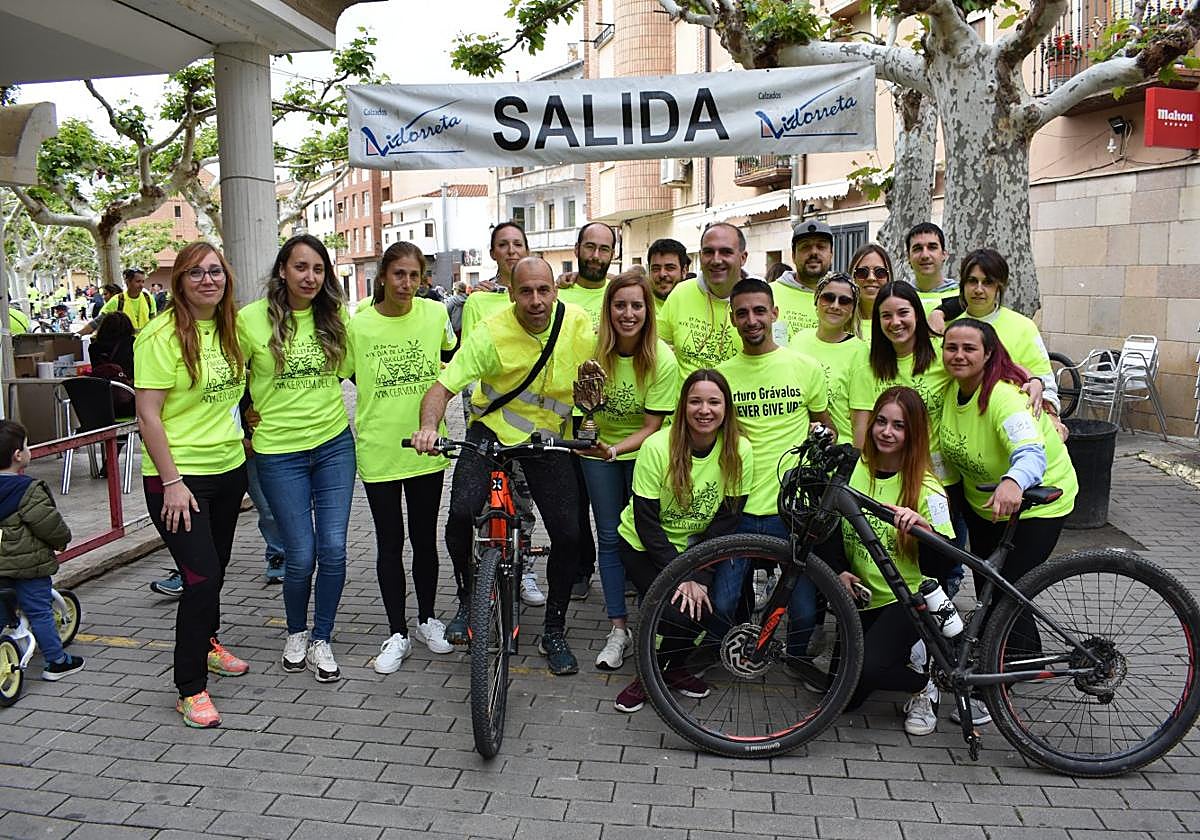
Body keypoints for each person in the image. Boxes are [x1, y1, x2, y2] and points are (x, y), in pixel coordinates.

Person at [412, 256, 594, 674]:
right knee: (460, 514)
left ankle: (554, 630)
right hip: (491, 432)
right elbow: (442, 388)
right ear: (510, 293)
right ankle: (465, 599)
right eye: (525, 291)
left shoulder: (579, 324)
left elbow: (606, 371)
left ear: (555, 290)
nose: (535, 300)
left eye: (543, 290)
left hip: (547, 441)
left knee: (568, 535)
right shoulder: (490, 332)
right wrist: (427, 427)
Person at [939, 318, 1078, 724]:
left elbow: (1030, 452)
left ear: (988, 355)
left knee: (1007, 592)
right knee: (990, 584)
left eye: (969, 349)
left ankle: (996, 686)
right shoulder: (951, 391)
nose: (959, 355)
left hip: (1036, 501)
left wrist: (1014, 480)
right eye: (952, 348)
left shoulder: (1003, 397)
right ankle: (1025, 656)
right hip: (984, 505)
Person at [134, 241, 249, 727]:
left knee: (216, 568)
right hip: (179, 480)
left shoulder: (229, 329)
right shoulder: (160, 336)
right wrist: (173, 481)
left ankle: (207, 644)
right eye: (196, 273)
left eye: (216, 271)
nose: (208, 280)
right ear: (179, 282)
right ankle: (189, 687)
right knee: (200, 578)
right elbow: (148, 414)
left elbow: (233, 397)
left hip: (227, 469)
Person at [238, 234, 355, 684]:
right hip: (278, 453)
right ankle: (296, 631)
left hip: (333, 446)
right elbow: (230, 381)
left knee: (335, 548)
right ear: (282, 269)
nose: (310, 277)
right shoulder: (250, 321)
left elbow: (362, 371)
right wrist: (244, 422)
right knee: (301, 554)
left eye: (319, 269)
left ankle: (322, 637)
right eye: (301, 267)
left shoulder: (337, 317)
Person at [611, 369, 753, 712]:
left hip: (699, 547)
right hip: (645, 546)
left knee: (709, 605)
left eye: (714, 402)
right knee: (675, 611)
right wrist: (682, 574)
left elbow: (727, 520)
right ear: (683, 406)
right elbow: (646, 523)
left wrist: (699, 575)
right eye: (696, 401)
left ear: (726, 408)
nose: (704, 410)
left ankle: (669, 668)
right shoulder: (658, 446)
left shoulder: (739, 450)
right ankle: (648, 676)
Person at [346, 242, 457, 674]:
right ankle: (397, 631)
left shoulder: (434, 315)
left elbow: (451, 363)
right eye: (399, 275)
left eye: (414, 275)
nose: (407, 284)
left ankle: (428, 618)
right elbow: (349, 374)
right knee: (390, 543)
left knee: (425, 539)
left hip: (427, 446)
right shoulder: (361, 326)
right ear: (382, 277)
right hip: (379, 449)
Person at [714, 278, 832, 663]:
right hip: (739, 508)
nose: (752, 320)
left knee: (802, 610)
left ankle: (796, 662)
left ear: (774, 314)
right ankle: (735, 653)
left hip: (791, 511)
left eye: (759, 311)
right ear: (732, 319)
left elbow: (825, 425)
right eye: (743, 313)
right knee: (725, 600)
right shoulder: (722, 376)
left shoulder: (805, 367)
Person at [831, 387, 956, 735]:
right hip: (863, 595)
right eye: (881, 422)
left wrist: (925, 530)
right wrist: (839, 568)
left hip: (908, 598)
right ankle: (898, 654)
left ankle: (924, 683)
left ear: (912, 433)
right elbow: (828, 530)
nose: (887, 432)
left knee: (868, 669)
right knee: (846, 695)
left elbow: (945, 564)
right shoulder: (855, 468)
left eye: (899, 426)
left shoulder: (928, 486)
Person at [577, 268, 677, 671]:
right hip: (597, 453)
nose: (628, 313)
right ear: (609, 309)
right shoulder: (590, 351)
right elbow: (580, 407)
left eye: (637, 305)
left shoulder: (661, 359)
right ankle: (618, 628)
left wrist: (614, 449)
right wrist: (586, 430)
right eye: (620, 305)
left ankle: (654, 620)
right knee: (609, 537)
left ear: (648, 311)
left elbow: (653, 427)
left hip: (642, 454)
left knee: (645, 535)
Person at [848, 282, 953, 485]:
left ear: (917, 314)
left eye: (903, 313)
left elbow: (991, 365)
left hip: (942, 481)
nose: (895, 322)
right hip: (890, 482)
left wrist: (1034, 380)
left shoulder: (942, 353)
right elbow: (861, 436)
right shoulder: (866, 366)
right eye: (886, 315)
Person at [0, 420, 81, 681]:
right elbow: (48, 524)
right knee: (39, 612)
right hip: (28, 568)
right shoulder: (27, 489)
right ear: (18, 455)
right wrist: (62, 540)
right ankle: (57, 662)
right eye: (27, 446)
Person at [939, 249, 1059, 416]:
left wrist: (1052, 417)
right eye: (972, 281)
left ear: (999, 287)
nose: (978, 289)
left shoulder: (1023, 327)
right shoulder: (949, 329)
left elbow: (1047, 389)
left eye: (987, 282)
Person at [658, 222, 746, 377]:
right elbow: (658, 348)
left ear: (743, 257)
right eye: (708, 252)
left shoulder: (761, 301)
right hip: (683, 400)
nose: (716, 260)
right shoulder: (680, 293)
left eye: (726, 252)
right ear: (700, 255)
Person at [790, 274, 867, 443]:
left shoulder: (859, 351)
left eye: (844, 301)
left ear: (853, 309)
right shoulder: (798, 340)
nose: (835, 305)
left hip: (839, 455)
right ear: (816, 301)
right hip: (797, 454)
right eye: (828, 298)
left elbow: (861, 419)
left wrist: (856, 461)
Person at [772, 219, 835, 342]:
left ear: (831, 254)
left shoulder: (845, 299)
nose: (814, 252)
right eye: (805, 247)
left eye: (821, 246)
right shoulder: (769, 294)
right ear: (793, 256)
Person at [558, 222, 615, 332]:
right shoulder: (555, 297)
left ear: (612, 254)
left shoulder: (620, 294)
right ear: (577, 249)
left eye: (604, 249)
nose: (595, 256)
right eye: (590, 247)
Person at [906, 223, 958, 316]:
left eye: (932, 247)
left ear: (944, 254)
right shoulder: (899, 297)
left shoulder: (964, 296)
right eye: (918, 249)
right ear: (908, 257)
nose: (925, 255)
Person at [84, 269, 157, 334]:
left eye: (143, 282)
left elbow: (153, 321)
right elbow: (97, 322)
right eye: (138, 281)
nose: (141, 285)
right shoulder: (117, 300)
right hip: (125, 345)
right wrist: (80, 333)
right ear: (127, 282)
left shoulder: (148, 298)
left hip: (144, 343)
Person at [847, 243, 894, 337]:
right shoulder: (839, 323)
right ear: (853, 277)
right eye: (862, 272)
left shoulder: (900, 323)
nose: (871, 278)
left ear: (889, 277)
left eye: (880, 272)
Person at [647, 238, 689, 314]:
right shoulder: (639, 308)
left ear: (684, 271)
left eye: (670, 268)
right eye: (656, 269)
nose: (662, 274)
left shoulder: (700, 305)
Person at [443, 280, 469, 347]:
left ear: (456, 290)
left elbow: (445, 313)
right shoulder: (469, 300)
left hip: (454, 330)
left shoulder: (452, 300)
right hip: (465, 329)